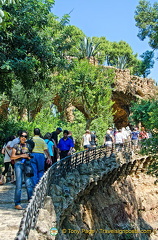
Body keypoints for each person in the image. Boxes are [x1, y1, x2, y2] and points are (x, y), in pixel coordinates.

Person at [11, 131, 33, 210]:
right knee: (19, 184)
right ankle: (17, 203)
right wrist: (21, 155)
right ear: (19, 137)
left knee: (28, 184)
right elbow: (12, 157)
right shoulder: (16, 146)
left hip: (27, 165)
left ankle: (31, 201)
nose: (24, 138)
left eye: (25, 136)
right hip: (18, 165)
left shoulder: (28, 145)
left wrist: (28, 156)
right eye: (22, 136)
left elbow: (30, 154)